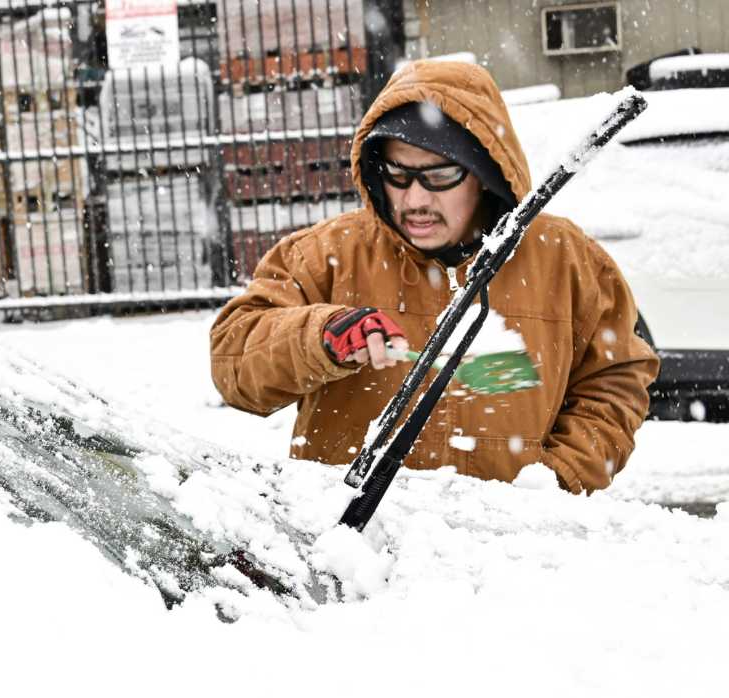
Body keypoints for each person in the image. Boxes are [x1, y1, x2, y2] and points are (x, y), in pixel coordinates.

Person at [209, 60, 659, 493]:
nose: (415, 199)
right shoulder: (326, 254)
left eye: (440, 175)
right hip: (354, 542)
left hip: (510, 542)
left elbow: (616, 379)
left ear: (484, 173)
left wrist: (560, 476)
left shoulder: (564, 259)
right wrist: (321, 336)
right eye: (398, 175)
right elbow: (235, 364)